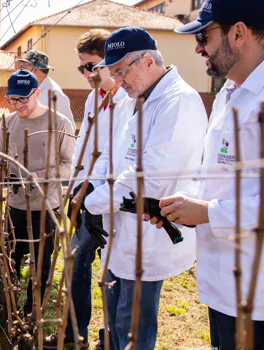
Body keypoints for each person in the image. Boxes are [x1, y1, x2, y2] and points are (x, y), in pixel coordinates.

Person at [80, 27, 208, 349]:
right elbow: (111, 153)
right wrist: (88, 190)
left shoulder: (180, 102)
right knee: (113, 314)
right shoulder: (132, 97)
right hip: (118, 228)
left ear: (147, 61)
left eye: (121, 72)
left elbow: (151, 177)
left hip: (148, 235)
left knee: (134, 321)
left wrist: (93, 204)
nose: (117, 82)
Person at [148, 1, 264, 348]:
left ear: (239, 33)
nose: (198, 47)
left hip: (257, 298)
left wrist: (208, 213)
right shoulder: (228, 94)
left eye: (204, 35)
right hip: (223, 288)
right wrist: (185, 206)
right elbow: (216, 176)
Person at [43, 28, 129, 349]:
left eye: (91, 66)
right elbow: (83, 148)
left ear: (111, 63)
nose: (86, 73)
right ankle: (73, 330)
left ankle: (109, 335)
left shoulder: (128, 100)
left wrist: (95, 196)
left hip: (112, 199)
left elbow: (117, 155)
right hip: (86, 196)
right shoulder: (94, 98)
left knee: (112, 270)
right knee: (77, 262)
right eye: (82, 67)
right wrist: (74, 190)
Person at [0, 68, 75, 337]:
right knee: (9, 262)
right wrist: (1, 175)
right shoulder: (7, 122)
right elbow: (0, 159)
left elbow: (70, 166)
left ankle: (32, 316)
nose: (19, 106)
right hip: (15, 207)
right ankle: (4, 314)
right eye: (13, 100)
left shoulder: (60, 123)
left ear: (37, 93)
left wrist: (38, 177)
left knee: (41, 267)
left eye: (24, 99)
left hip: (47, 208)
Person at [17, 50, 76, 130]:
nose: (21, 70)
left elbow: (69, 129)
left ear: (35, 69)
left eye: (24, 67)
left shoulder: (55, 95)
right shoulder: (29, 89)